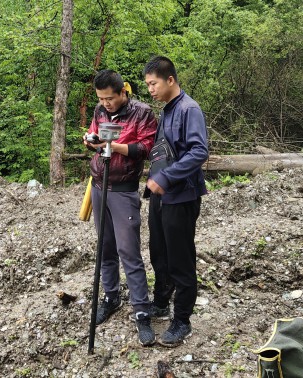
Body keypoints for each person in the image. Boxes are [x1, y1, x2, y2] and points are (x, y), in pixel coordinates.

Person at [83, 69, 158, 346]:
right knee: (105, 247)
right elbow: (94, 134)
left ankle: (141, 311)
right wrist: (90, 140)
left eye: (110, 99)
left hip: (124, 188)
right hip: (99, 185)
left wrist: (115, 147)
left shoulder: (142, 112)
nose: (106, 104)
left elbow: (147, 148)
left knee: (129, 251)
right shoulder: (99, 110)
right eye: (102, 99)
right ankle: (110, 296)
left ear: (123, 93)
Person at [143, 56, 209, 347]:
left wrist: (167, 178)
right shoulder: (167, 110)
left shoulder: (188, 109)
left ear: (170, 80)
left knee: (181, 260)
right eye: (147, 85)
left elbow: (198, 152)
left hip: (180, 195)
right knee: (159, 251)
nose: (150, 90)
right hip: (160, 195)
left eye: (153, 83)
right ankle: (161, 301)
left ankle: (182, 320)